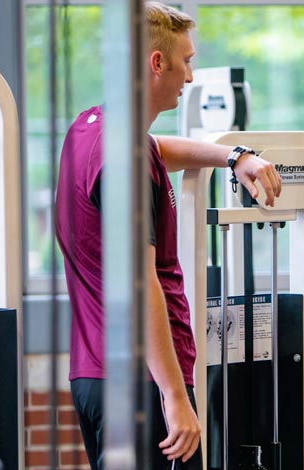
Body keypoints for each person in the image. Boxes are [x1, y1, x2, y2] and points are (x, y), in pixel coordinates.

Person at [55, 3, 282, 469]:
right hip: (144, 384)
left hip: (95, 375)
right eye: (187, 61)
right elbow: (142, 287)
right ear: (156, 64)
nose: (191, 77)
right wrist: (175, 395)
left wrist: (234, 156)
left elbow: (161, 148)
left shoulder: (90, 129)